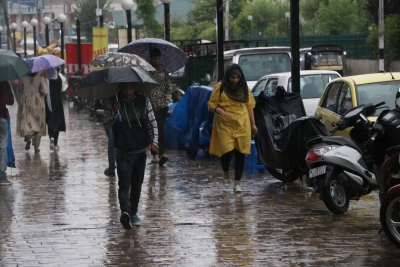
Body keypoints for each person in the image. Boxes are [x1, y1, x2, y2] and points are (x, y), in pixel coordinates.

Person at [108, 82, 158, 230]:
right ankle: (125, 211)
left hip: (140, 150)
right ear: (120, 88)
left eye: (130, 87)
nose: (127, 91)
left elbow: (152, 122)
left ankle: (133, 211)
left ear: (135, 88)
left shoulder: (144, 101)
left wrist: (154, 141)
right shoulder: (114, 101)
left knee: (137, 183)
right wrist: (114, 111)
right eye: (124, 87)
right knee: (124, 183)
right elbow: (106, 122)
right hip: (123, 150)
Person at [207, 64, 257, 193]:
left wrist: (253, 124)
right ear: (228, 77)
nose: (235, 80)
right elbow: (210, 105)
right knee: (226, 151)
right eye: (232, 77)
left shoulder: (245, 88)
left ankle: (237, 183)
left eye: (237, 77)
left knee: (240, 152)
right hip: (224, 125)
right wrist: (218, 110)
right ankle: (225, 172)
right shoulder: (220, 87)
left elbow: (250, 106)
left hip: (242, 124)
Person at [145, 47, 171, 166]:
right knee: (152, 130)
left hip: (162, 106)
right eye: (155, 58)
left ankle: (162, 154)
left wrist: (167, 99)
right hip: (150, 105)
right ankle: (154, 154)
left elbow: (168, 86)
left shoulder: (164, 70)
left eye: (158, 58)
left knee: (161, 130)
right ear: (150, 58)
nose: (157, 61)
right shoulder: (146, 70)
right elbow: (143, 88)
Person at [16, 71, 47, 153]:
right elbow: (44, 91)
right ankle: (36, 146)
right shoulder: (40, 78)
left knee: (27, 121)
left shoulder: (22, 78)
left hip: (25, 103)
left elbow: (19, 89)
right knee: (38, 123)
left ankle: (28, 138)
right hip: (38, 103)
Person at [45, 68, 66, 151]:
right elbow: (61, 89)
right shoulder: (58, 79)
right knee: (57, 123)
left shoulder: (46, 79)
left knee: (50, 122)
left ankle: (51, 138)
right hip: (58, 103)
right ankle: (56, 142)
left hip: (48, 103)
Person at [0, 81, 15, 185]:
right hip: (1, 117)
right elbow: (11, 101)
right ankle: (1, 177)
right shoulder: (5, 83)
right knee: (2, 147)